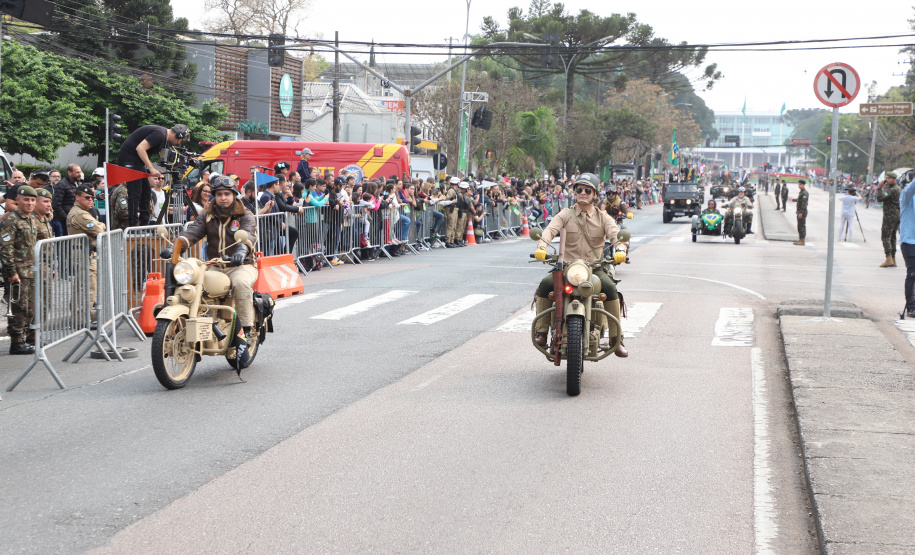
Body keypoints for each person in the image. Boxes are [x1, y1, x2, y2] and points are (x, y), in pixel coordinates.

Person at [166, 176, 258, 371]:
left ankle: (246, 331)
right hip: (215, 265)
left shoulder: (245, 215)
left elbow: (248, 234)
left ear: (234, 195)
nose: (223, 198)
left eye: (227, 194)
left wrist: (242, 251)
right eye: (218, 194)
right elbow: (193, 232)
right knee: (191, 285)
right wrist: (177, 245)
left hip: (241, 265)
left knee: (241, 284)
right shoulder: (207, 215)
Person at [533, 173, 629, 357]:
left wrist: (621, 250)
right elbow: (549, 230)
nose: (582, 193)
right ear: (574, 192)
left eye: (587, 190)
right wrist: (542, 246)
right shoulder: (565, 215)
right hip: (567, 268)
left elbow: (617, 236)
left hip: (594, 268)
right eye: (579, 189)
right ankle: (542, 331)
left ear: (594, 194)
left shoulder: (603, 217)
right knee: (545, 284)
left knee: (610, 289)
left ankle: (616, 339)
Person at [116, 124, 190, 227]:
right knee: (135, 194)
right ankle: (132, 226)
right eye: (181, 141)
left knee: (146, 193)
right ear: (178, 135)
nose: (179, 143)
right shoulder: (159, 135)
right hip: (130, 161)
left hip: (138, 163)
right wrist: (151, 168)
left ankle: (144, 224)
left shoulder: (165, 140)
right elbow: (140, 148)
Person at [0, 185, 38, 354]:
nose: (29, 203)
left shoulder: (30, 219)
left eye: (32, 200)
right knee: (19, 308)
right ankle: (16, 342)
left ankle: (23, 339)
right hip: (18, 272)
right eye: (26, 200)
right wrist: (11, 272)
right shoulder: (11, 220)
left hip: (29, 270)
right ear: (17, 200)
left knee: (29, 308)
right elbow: (5, 248)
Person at [67, 185, 106, 323]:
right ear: (77, 197)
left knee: (83, 286)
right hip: (83, 253)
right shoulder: (80, 214)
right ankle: (82, 320)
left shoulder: (84, 211)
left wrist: (99, 225)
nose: (91, 200)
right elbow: (99, 230)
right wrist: (100, 225)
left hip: (85, 252)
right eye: (87, 198)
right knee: (86, 287)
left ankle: (80, 318)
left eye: (92, 198)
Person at [898, 177, 915, 317]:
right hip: (909, 241)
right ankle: (911, 306)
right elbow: (910, 190)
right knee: (913, 272)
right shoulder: (906, 198)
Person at [877, 172, 901, 267]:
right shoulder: (899, 189)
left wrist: (879, 187)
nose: (887, 180)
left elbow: (879, 198)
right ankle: (893, 259)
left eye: (889, 178)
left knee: (885, 236)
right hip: (896, 215)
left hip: (890, 216)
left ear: (894, 179)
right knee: (892, 237)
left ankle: (888, 258)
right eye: (886, 178)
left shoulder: (892, 190)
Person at [52, 164, 83, 236]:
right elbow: (56, 204)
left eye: (80, 172)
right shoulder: (62, 185)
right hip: (63, 221)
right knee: (63, 244)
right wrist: (67, 218)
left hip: (73, 219)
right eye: (77, 172)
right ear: (69, 173)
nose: (79, 174)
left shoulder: (77, 183)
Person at [793, 179, 808, 246]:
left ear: (803, 185)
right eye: (798, 184)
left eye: (800, 184)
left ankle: (802, 240)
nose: (799, 186)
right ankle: (800, 239)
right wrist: (793, 200)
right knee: (799, 226)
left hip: (802, 212)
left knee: (801, 226)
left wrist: (801, 212)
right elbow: (799, 200)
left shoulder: (804, 193)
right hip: (799, 211)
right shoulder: (801, 192)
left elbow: (804, 204)